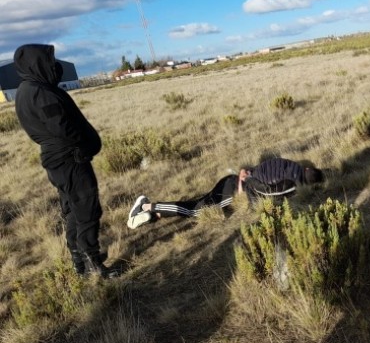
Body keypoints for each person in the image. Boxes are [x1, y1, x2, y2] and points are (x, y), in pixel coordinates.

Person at [14, 44, 115, 278]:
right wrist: (83, 145)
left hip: (57, 160)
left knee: (72, 209)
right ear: (36, 63)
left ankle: (78, 259)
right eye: (49, 60)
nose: (54, 65)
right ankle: (93, 265)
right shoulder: (39, 93)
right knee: (87, 209)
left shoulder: (27, 89)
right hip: (69, 159)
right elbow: (63, 128)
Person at [127, 157, 325, 228]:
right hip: (233, 191)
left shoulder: (290, 164)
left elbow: (264, 168)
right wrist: (245, 186)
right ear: (307, 183)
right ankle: (145, 206)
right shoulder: (292, 183)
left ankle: (153, 216)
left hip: (232, 181)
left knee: (195, 204)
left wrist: (244, 175)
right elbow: (266, 190)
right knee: (195, 211)